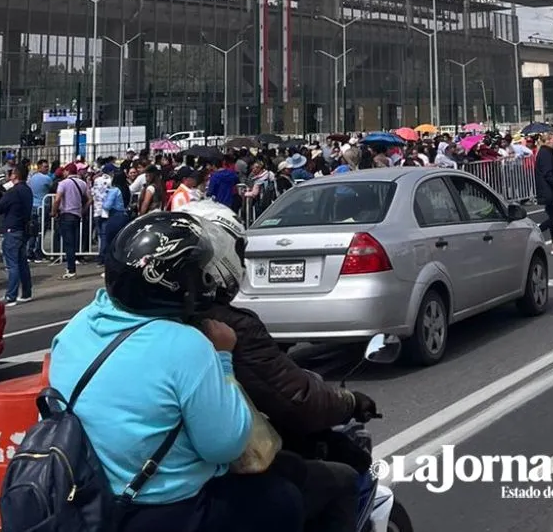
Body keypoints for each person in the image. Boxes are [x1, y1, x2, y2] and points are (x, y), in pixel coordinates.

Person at [49, 209, 306, 532]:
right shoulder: (187, 345)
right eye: (197, 272)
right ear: (173, 282)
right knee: (285, 500)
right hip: (161, 508)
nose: (205, 281)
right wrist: (223, 357)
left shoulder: (77, 327)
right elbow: (225, 446)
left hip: (86, 498)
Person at [182, 200, 373, 532]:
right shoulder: (225, 328)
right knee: (340, 480)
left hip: (131, 485)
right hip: (202, 480)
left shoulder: (126, 324)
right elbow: (294, 400)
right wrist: (350, 402)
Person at [0, 164, 34, 306]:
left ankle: (11, 295)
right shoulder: (27, 190)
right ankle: (26, 292)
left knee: (12, 264)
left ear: (14, 176)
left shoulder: (13, 192)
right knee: (22, 262)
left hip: (12, 228)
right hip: (23, 228)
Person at [52, 163, 91, 279]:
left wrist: (53, 211)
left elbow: (57, 199)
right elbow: (90, 199)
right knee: (73, 242)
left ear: (67, 171)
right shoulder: (83, 183)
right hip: (77, 215)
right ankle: (71, 266)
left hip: (66, 214)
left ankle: (71, 269)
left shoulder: (63, 183)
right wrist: (83, 210)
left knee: (68, 243)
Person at [28, 160, 54, 263]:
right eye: (45, 167)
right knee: (41, 230)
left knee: (33, 231)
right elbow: (52, 188)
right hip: (43, 205)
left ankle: (30, 251)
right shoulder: (47, 178)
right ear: (39, 167)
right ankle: (38, 252)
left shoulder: (32, 178)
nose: (47, 169)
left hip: (33, 205)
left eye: (47, 167)